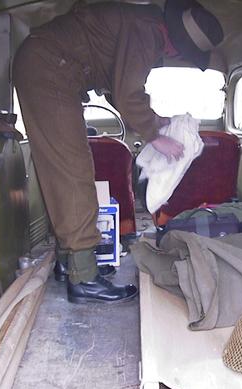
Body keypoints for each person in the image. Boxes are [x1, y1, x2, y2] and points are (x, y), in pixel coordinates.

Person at [13, 0, 224, 304]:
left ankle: (70, 262)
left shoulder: (142, 24)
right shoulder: (147, 32)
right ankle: (84, 279)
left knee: (64, 170)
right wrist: (155, 136)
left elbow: (117, 88)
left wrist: (155, 121)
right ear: (178, 48)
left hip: (48, 65)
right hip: (50, 69)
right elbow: (128, 94)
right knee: (73, 171)